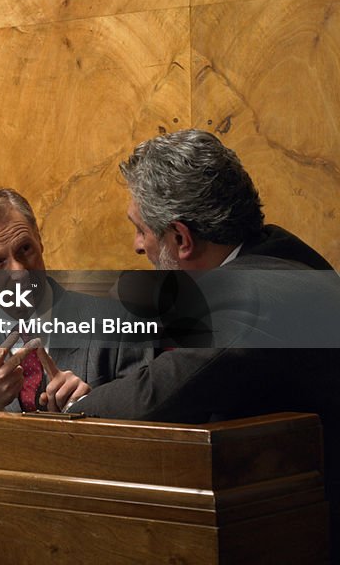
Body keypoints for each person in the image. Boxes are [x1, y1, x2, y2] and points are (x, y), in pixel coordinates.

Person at [65, 129, 340, 548]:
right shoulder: (278, 250)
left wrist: (70, 408)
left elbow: (154, 397)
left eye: (141, 230)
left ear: (181, 238)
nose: (138, 246)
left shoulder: (250, 299)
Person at [0, 188, 148, 412]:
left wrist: (89, 407)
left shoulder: (121, 324)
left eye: (25, 248)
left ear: (39, 240)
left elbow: (147, 424)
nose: (20, 271)